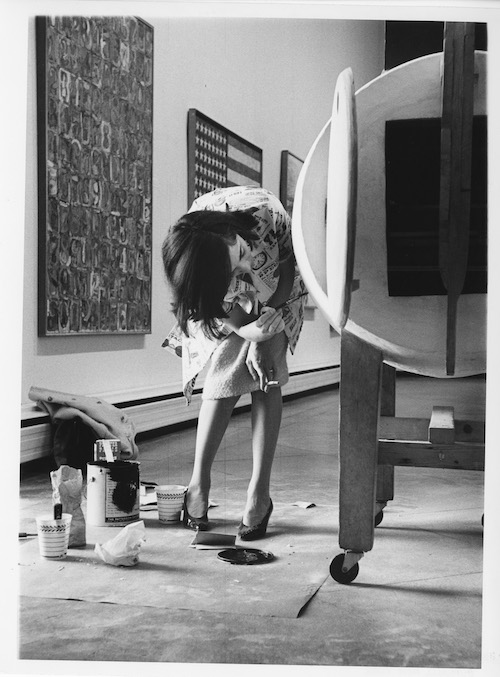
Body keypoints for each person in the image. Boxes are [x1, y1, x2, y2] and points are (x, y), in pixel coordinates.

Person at [162, 185, 306, 540]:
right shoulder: (195, 260)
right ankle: (199, 483)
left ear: (231, 233)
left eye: (240, 253)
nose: (242, 264)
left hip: (279, 285)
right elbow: (215, 307)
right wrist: (247, 332)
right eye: (233, 267)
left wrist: (266, 328)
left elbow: (288, 267)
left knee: (267, 371)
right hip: (225, 303)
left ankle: (259, 493)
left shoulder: (267, 214)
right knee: (227, 365)